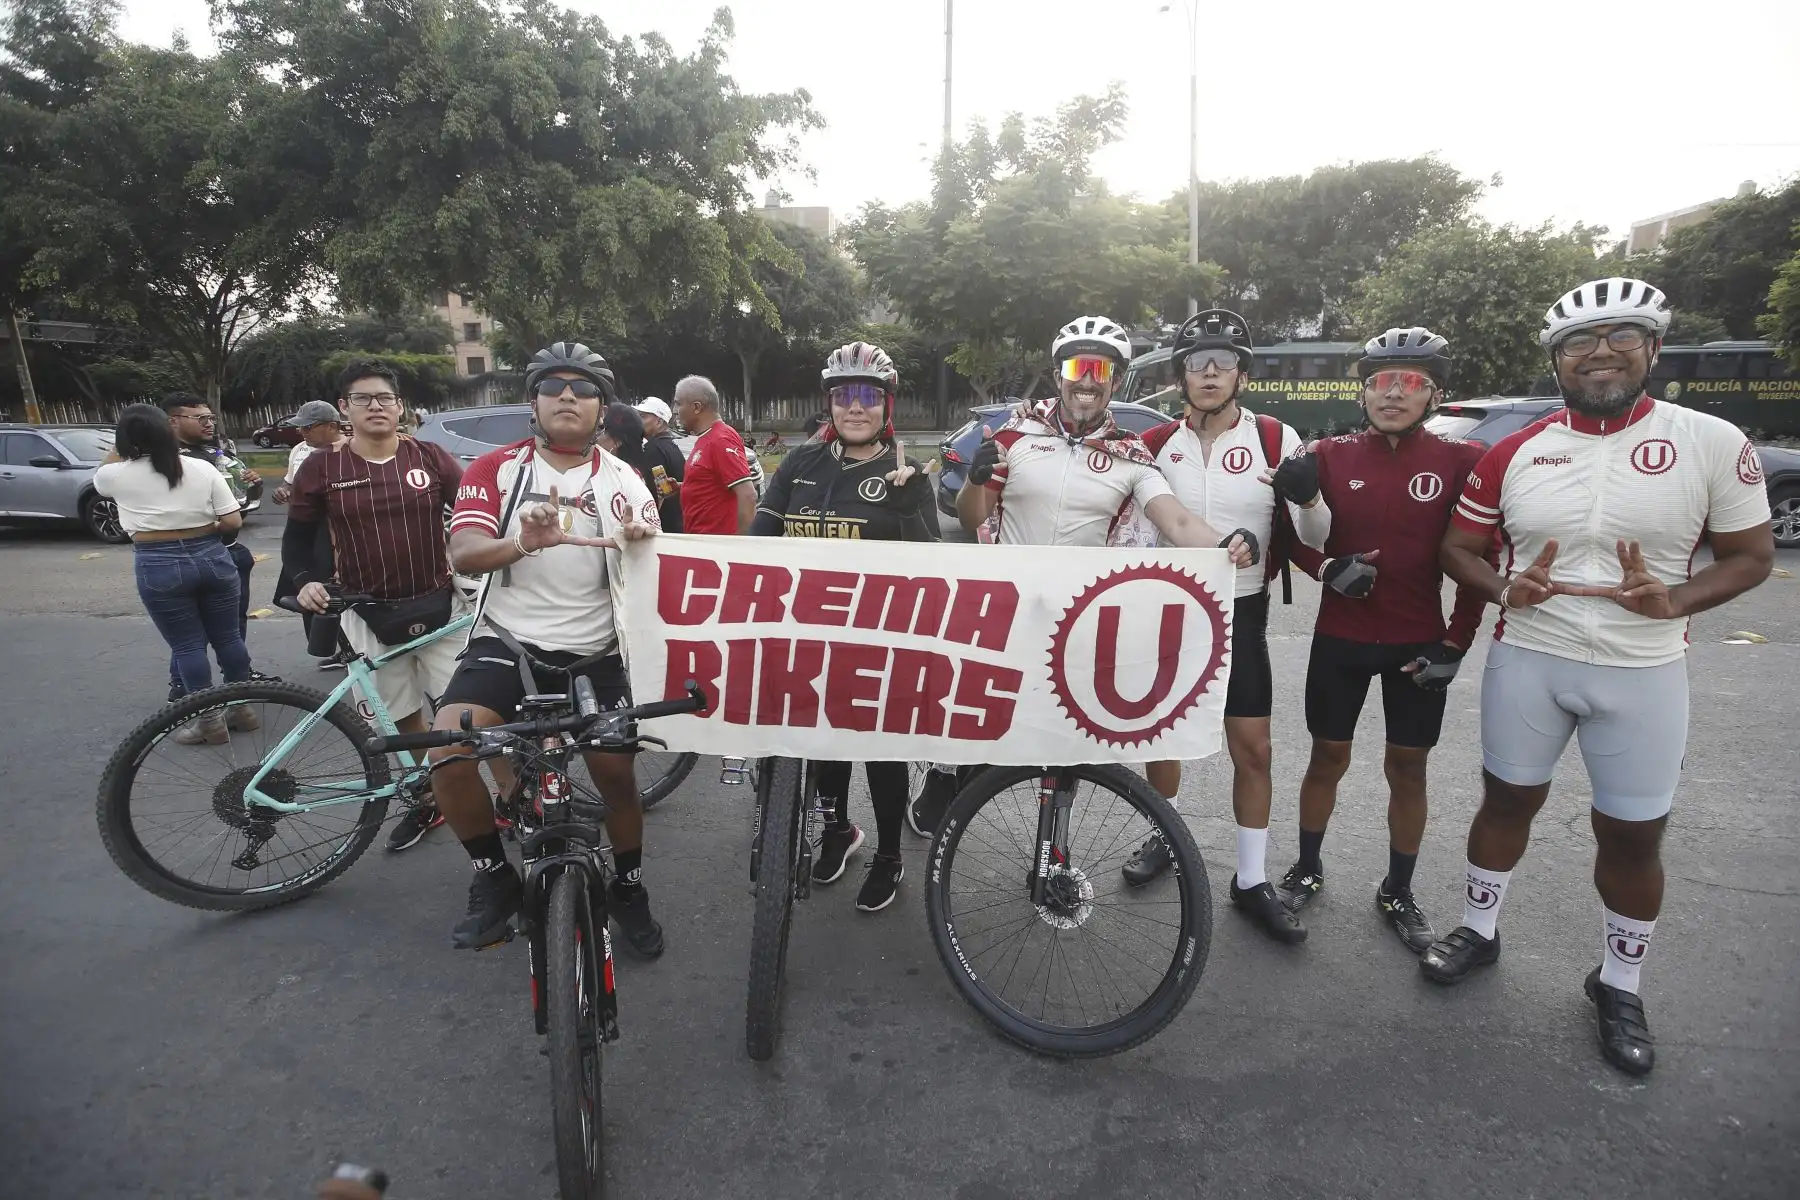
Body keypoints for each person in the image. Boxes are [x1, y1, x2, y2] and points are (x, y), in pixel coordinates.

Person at [1427, 278, 1773, 1076]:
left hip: (1644, 667)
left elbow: (1753, 555)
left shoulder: (1711, 441)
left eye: (1622, 336)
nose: (1601, 354)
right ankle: (1478, 930)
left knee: (1631, 833)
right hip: (1531, 655)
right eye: (1580, 343)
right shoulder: (1515, 449)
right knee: (1505, 802)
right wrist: (1503, 588)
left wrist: (1679, 599)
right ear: (1557, 363)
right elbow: (1458, 550)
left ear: (1652, 349)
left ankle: (1619, 981)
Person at [928, 315, 1256, 839]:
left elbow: (1174, 519)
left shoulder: (1131, 456)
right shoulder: (1015, 436)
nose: (1088, 379)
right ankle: (950, 780)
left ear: (1116, 380)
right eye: (1078, 366)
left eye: (1101, 369)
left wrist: (1226, 544)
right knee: (984, 720)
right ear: (1058, 374)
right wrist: (977, 478)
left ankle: (1049, 843)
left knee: (1062, 740)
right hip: (1008, 613)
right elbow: (972, 518)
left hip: (1075, 622)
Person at [432, 342, 663, 954]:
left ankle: (631, 887)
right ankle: (493, 876)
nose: (568, 396)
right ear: (533, 401)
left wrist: (643, 545)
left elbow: (655, 576)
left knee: (615, 775)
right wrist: (525, 543)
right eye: (554, 385)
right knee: (449, 751)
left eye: (583, 388)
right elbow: (464, 553)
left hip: (596, 652)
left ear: (601, 407)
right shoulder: (496, 469)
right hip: (509, 643)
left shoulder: (626, 480)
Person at [1275, 327, 1488, 955]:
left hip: (1416, 640)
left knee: (1408, 767)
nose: (1394, 393)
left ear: (1434, 393)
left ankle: (1398, 889)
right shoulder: (1328, 455)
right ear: (1363, 390)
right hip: (1339, 637)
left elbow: (1478, 558)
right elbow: (1287, 535)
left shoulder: (1461, 461)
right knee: (1327, 758)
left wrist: (1457, 643)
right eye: (1381, 381)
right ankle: (1306, 869)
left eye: (1411, 381)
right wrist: (1323, 569)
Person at [1124, 309, 1332, 944]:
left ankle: (1249, 878)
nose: (1208, 373)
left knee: (1254, 747)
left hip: (1243, 608)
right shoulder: (1157, 445)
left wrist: (1309, 498)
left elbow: (1318, 540)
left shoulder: (1275, 437)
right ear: (1181, 375)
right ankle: (1165, 833)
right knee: (1164, 736)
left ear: (1242, 372)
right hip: (1169, 607)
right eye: (1195, 363)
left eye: (1222, 362)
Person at [750, 341, 938, 911]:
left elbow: (938, 568)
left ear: (887, 404)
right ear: (829, 403)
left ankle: (888, 855)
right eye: (843, 396)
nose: (855, 408)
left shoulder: (902, 472)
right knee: (824, 746)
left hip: (882, 641)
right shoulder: (801, 464)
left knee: (882, 755)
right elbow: (756, 546)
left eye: (868, 396)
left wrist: (910, 512)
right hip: (810, 635)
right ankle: (837, 831)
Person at [283, 360, 466, 852]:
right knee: (402, 715)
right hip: (366, 612)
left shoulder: (430, 458)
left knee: (472, 713)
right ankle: (431, 798)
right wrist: (304, 582)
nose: (376, 407)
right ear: (344, 409)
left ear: (400, 406)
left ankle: (514, 798)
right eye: (363, 399)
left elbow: (474, 511)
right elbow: (297, 542)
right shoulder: (322, 468)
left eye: (385, 398)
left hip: (441, 607)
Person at [94, 403, 254, 744]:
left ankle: (210, 723)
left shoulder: (117, 474)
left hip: (158, 561)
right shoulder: (200, 468)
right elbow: (232, 522)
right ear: (168, 430)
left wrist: (122, 443)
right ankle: (242, 709)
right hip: (212, 554)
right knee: (228, 638)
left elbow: (104, 475)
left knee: (187, 645)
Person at [161, 393, 259, 700]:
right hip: (192, 552)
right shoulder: (163, 459)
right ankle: (185, 690)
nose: (208, 423)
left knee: (232, 626)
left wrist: (252, 484)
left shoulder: (213, 453)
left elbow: (238, 501)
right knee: (192, 635)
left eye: (210, 417)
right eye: (199, 418)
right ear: (172, 422)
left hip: (228, 549)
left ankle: (237, 683)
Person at [272, 400, 347, 662]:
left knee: (342, 590)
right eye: (300, 428)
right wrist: (282, 491)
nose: (302, 433)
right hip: (308, 531)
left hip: (339, 533)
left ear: (332, 426)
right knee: (308, 587)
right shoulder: (300, 451)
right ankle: (327, 646)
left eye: (309, 427)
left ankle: (349, 647)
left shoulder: (351, 452)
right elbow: (289, 482)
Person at [674, 374, 755, 534]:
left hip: (715, 548)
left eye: (678, 404)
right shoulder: (706, 437)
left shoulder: (720, 439)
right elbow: (714, 483)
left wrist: (738, 546)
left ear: (696, 407)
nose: (675, 411)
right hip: (701, 543)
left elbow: (748, 495)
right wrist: (686, 487)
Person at [633, 396, 685, 532]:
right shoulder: (672, 446)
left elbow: (654, 493)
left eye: (643, 417)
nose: (638, 421)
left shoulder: (653, 449)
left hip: (662, 527)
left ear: (658, 421)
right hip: (678, 522)